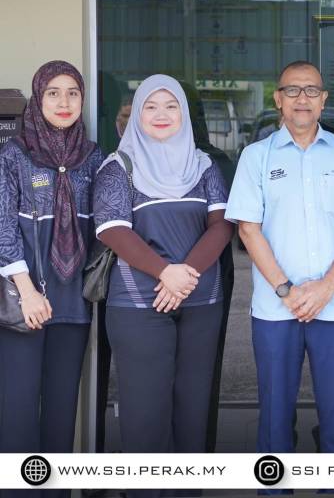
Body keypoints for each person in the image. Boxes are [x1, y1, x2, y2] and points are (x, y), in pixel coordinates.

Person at [225, 60, 334, 472]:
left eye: (311, 90)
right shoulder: (255, 157)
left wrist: (326, 287)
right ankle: (274, 485)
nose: (302, 98)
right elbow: (248, 229)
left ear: (323, 99)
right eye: (292, 90)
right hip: (275, 308)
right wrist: (287, 290)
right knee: (274, 412)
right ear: (278, 99)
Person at [93, 75, 233, 473]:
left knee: (192, 410)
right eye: (150, 106)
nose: (161, 114)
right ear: (137, 114)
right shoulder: (119, 166)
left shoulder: (203, 165)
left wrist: (184, 275)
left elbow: (222, 225)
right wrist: (165, 273)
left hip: (201, 299)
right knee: (145, 413)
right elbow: (111, 229)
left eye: (171, 106)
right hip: (139, 304)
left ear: (184, 114)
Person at [0, 61, 104, 487]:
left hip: (73, 302)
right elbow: (3, 226)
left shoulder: (93, 157)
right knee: (18, 415)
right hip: (24, 304)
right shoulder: (15, 154)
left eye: (73, 93)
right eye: (53, 93)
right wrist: (27, 292)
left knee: (62, 417)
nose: (64, 102)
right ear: (38, 97)